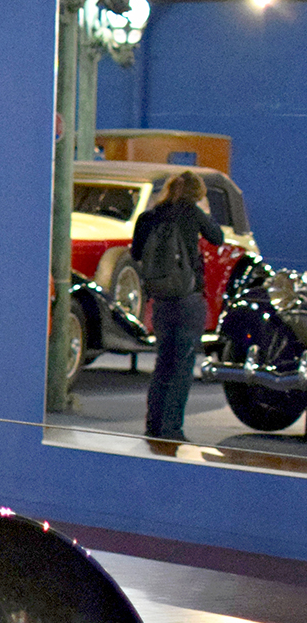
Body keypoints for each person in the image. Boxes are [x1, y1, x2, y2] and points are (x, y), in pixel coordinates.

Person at [130, 170, 222, 442]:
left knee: (162, 363)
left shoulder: (148, 217)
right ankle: (172, 429)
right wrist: (203, 211)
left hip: (160, 300)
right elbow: (217, 237)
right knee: (182, 366)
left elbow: (136, 253)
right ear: (197, 194)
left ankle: (153, 425)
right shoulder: (192, 213)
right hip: (187, 298)